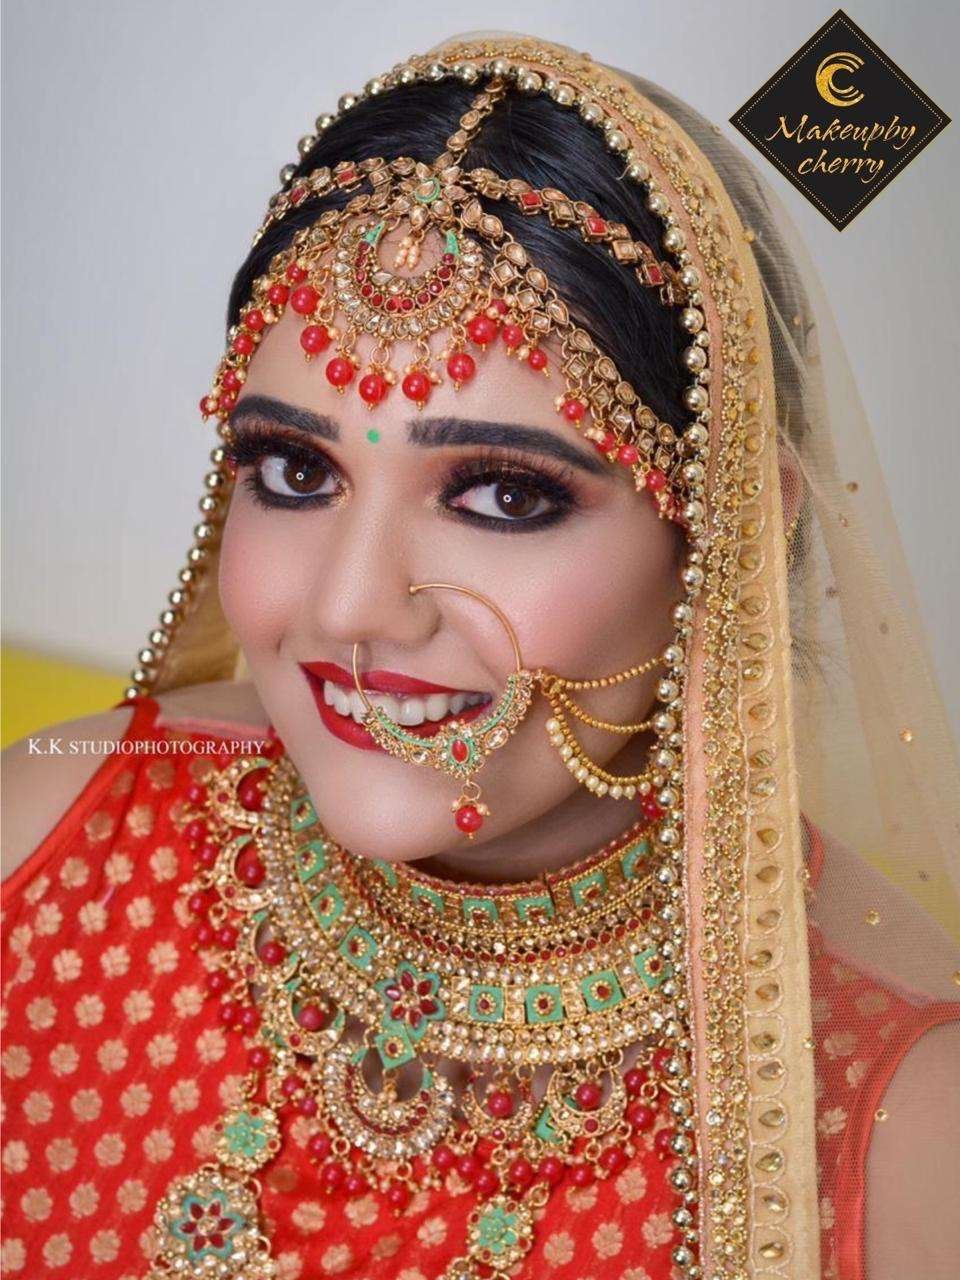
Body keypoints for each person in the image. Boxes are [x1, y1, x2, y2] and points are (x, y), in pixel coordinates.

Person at [2, 30, 958, 1280]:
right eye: (295, 471)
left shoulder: (896, 1121)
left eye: (504, 494)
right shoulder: (53, 843)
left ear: (733, 534)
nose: (350, 607)